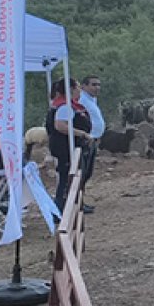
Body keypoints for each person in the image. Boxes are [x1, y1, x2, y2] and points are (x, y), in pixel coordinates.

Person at [46, 78, 91, 212]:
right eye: (77, 87)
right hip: (65, 147)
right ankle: (60, 208)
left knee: (70, 176)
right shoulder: (64, 106)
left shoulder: (62, 104)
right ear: (71, 89)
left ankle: (72, 204)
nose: (79, 90)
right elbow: (60, 126)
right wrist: (82, 133)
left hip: (65, 146)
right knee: (66, 177)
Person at [77, 75, 104, 214]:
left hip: (93, 139)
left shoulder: (91, 100)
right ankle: (78, 203)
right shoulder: (81, 100)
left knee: (87, 173)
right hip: (86, 140)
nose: (97, 87)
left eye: (98, 84)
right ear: (84, 86)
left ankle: (81, 201)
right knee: (82, 172)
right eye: (93, 84)